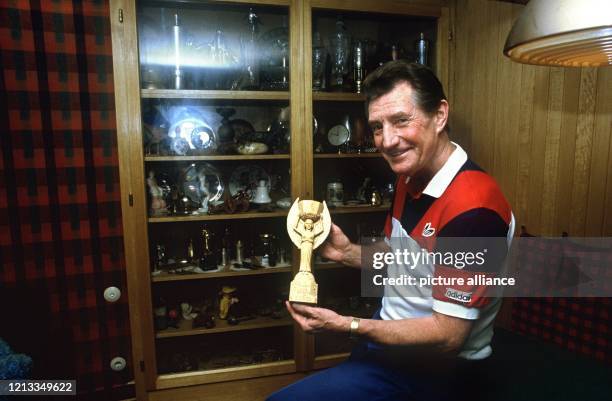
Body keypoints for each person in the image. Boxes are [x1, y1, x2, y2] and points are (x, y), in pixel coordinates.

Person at [268, 61, 515, 401]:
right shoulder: (410, 175)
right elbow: (402, 259)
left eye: (401, 120)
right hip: (385, 345)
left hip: (438, 372)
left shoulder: (475, 209)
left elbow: (448, 335)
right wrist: (346, 252)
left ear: (440, 115)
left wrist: (347, 325)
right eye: (377, 127)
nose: (387, 140)